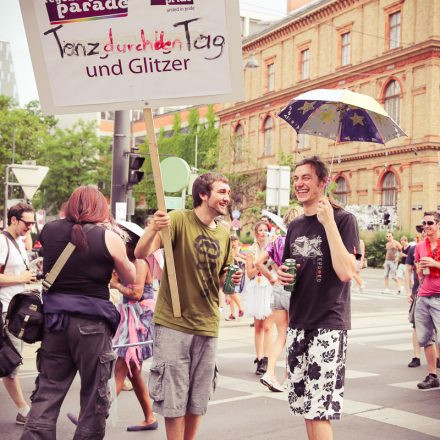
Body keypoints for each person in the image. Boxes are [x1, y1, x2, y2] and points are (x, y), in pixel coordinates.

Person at [21, 186, 136, 440]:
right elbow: (131, 276)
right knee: (95, 398)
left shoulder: (49, 230)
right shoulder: (108, 237)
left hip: (55, 323)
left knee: (47, 392)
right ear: (101, 208)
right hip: (92, 326)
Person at [134, 172, 242, 440]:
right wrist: (153, 229)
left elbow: (223, 284)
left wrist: (232, 280)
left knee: (199, 395)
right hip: (174, 322)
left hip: (207, 323)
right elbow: (140, 253)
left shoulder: (225, 232)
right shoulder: (179, 220)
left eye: (228, 193)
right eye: (221, 192)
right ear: (203, 195)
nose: (226, 198)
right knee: (174, 396)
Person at [277, 156, 358, 440]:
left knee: (319, 410)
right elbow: (292, 273)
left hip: (328, 324)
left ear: (323, 182)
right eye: (296, 178)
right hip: (298, 323)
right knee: (304, 406)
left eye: (306, 177)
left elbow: (346, 271)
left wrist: (328, 224)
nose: (299, 183)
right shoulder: (295, 226)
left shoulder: (344, 220)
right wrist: (283, 277)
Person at [111, 224, 158, 431]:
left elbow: (137, 294)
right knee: (134, 371)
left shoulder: (140, 261)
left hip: (140, 318)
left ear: (130, 242)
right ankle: (150, 417)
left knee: (121, 367)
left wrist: (116, 285)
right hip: (130, 317)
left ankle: (94, 413)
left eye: (122, 240)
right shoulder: (128, 262)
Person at [256, 206, 303, 392]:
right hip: (295, 290)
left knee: (281, 336)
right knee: (294, 336)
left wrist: (271, 277)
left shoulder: (277, 241)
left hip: (278, 289)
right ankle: (289, 378)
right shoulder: (301, 242)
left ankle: (269, 373)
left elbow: (259, 262)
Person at [0, 202, 36, 425]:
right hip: (5, 311)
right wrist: (20, 279)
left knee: (10, 361)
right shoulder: (2, 242)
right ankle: (24, 410)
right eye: (27, 223)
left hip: (16, 311)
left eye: (33, 223)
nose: (30, 227)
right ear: (14, 220)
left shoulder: (19, 241)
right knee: (10, 363)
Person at [413, 211, 440, 389]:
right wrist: (421, 268)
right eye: (425, 223)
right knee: (425, 338)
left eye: (430, 223)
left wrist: (435, 264)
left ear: (438, 224)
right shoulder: (420, 246)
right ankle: (432, 375)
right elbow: (419, 270)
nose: (427, 226)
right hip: (423, 296)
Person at [245, 221, 274, 376]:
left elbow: (276, 267)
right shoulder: (251, 250)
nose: (263, 233)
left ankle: (268, 359)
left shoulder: (273, 249)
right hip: (256, 288)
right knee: (258, 326)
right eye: (260, 230)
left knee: (269, 326)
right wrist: (259, 265)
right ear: (256, 233)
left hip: (269, 288)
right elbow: (249, 273)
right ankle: (259, 358)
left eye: (265, 230)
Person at [225, 236, 244, 321]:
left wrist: (240, 257)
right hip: (231, 272)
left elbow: (249, 260)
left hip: (239, 273)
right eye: (232, 241)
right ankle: (232, 314)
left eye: (235, 241)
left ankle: (241, 308)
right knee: (231, 293)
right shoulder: (229, 251)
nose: (234, 243)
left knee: (232, 292)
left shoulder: (242, 250)